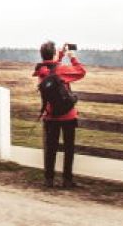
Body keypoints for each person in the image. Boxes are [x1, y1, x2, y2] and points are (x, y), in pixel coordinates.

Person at [34, 41, 85, 189]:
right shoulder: (61, 70)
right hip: (68, 115)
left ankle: (49, 179)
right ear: (54, 54)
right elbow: (81, 72)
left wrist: (60, 53)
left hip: (50, 115)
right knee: (69, 148)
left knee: (51, 148)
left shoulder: (41, 70)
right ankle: (67, 180)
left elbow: (52, 65)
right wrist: (72, 57)